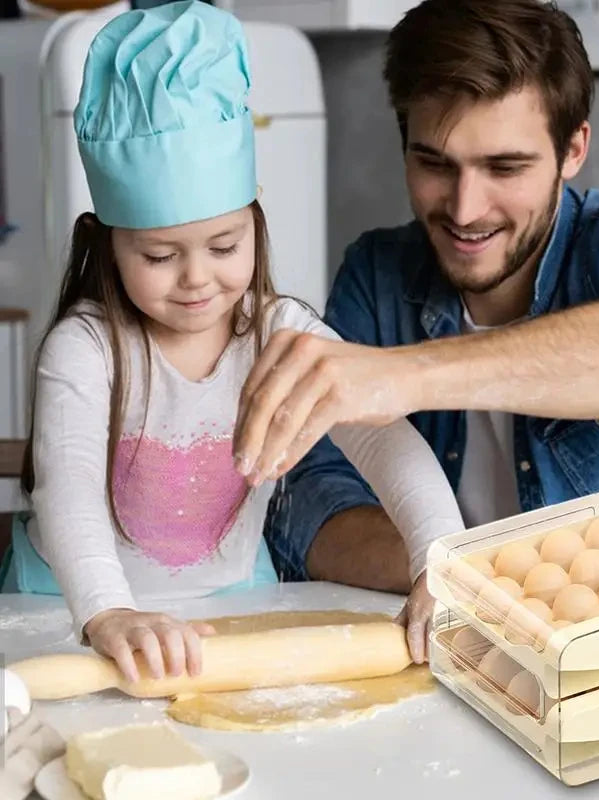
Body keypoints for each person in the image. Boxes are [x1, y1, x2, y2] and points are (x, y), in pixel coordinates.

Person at [230, 0, 599, 592]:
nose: (465, 210)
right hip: (479, 653)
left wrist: (405, 376)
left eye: (505, 167)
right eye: (434, 163)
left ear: (573, 149)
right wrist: (465, 578)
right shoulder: (378, 274)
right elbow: (315, 499)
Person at [5, 0, 464, 679]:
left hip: (239, 600)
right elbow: (66, 487)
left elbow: (384, 438)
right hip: (61, 606)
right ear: (109, 242)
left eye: (224, 245)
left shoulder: (282, 333)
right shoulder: (86, 348)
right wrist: (107, 611)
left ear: (254, 222)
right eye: (159, 257)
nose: (196, 279)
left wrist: (440, 561)